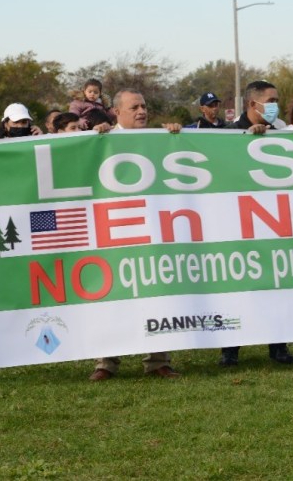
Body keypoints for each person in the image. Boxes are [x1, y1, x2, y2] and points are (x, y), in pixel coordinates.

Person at [90, 89, 185, 380]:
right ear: (116, 112)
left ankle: (158, 361)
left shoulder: (158, 139)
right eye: (135, 107)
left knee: (157, 292)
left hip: (152, 230)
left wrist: (174, 135)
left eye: (144, 106)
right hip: (115, 230)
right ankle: (106, 363)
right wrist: (93, 136)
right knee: (113, 294)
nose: (142, 111)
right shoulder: (101, 140)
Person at [216, 80, 293, 366]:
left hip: (274, 222)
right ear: (252, 104)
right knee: (237, 287)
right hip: (237, 224)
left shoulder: (284, 131)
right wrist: (249, 138)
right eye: (271, 100)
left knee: (276, 284)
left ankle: (279, 346)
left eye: (276, 100)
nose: (276, 106)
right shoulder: (225, 134)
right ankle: (231, 348)